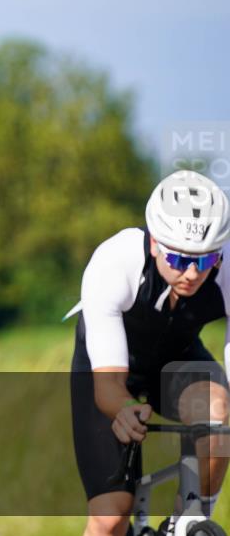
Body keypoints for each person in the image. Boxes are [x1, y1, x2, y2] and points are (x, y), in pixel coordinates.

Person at [69, 170, 230, 536]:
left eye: (205, 261)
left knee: (218, 412)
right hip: (109, 368)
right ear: (155, 243)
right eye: (178, 259)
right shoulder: (115, 262)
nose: (191, 273)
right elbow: (109, 384)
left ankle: (188, 520)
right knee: (110, 518)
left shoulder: (228, 268)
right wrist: (124, 408)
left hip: (178, 360)